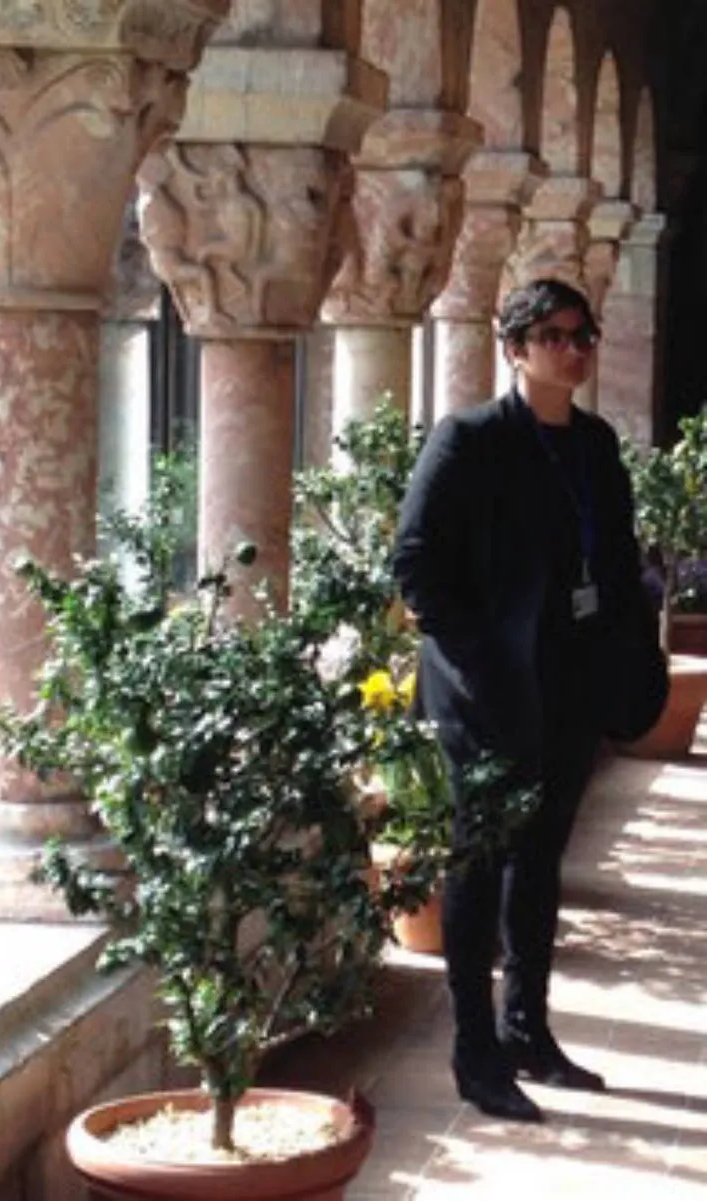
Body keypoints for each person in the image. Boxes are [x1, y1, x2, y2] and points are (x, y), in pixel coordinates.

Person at [392, 277, 668, 1123]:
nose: (574, 350)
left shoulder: (595, 444)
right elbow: (416, 564)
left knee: (540, 858)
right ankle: (474, 1051)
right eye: (554, 335)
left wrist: (627, 652)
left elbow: (616, 557)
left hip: (570, 681)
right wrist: (479, 660)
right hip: (485, 688)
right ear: (513, 348)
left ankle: (527, 1031)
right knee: (479, 862)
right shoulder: (470, 439)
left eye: (584, 334)